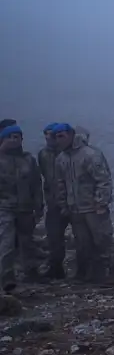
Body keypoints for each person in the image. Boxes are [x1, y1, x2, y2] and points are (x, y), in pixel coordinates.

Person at [55, 125, 114, 285]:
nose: (59, 140)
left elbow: (103, 180)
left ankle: (113, 271)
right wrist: (64, 204)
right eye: (56, 137)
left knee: (102, 240)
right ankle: (92, 274)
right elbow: (60, 184)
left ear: (71, 135)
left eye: (61, 136)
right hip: (75, 208)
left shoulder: (89, 154)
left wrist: (101, 202)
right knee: (83, 243)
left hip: (93, 207)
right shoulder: (61, 159)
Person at [0, 125, 43, 291]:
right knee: (7, 242)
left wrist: (39, 205)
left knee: (28, 241)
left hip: (25, 207)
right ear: (3, 138)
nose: (14, 140)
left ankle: (31, 271)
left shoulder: (28, 159)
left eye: (17, 137)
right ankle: (6, 277)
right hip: (5, 207)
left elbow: (36, 184)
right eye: (10, 136)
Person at [38, 124, 68, 279]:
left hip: (72, 201)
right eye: (46, 135)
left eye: (52, 135)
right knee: (54, 237)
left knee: (84, 236)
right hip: (53, 202)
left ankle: (87, 268)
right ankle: (56, 268)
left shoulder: (68, 152)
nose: (49, 138)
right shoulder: (43, 154)